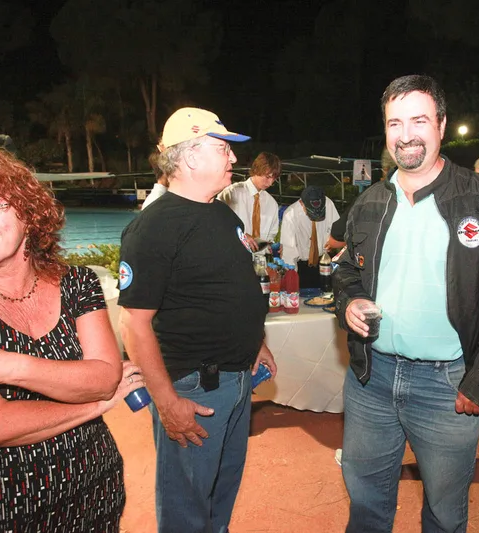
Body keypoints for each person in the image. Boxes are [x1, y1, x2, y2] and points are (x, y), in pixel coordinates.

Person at [333, 74, 479, 533]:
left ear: (441, 124)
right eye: (395, 123)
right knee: (365, 505)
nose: (406, 135)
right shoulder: (370, 202)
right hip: (371, 380)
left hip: (448, 386)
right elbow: (345, 271)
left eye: (419, 120)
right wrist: (350, 301)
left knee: (444, 513)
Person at [0, 147, 138, 532]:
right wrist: (94, 405)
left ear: (27, 212)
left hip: (92, 490)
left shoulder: (78, 283)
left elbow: (103, 377)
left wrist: (5, 365)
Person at [117, 107, 276, 533]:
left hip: (237, 379)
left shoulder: (222, 214)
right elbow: (134, 324)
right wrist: (167, 402)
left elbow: (233, 287)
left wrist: (256, 342)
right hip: (194, 388)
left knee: (222, 492)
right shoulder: (153, 228)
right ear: (189, 157)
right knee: (187, 505)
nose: (233, 158)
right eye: (223, 149)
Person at [280, 185, 339, 288]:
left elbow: (337, 231)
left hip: (326, 261)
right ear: (301, 203)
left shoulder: (329, 204)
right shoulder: (290, 215)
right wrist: (292, 279)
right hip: (303, 266)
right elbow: (289, 251)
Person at [218, 151, 281, 243]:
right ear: (257, 170)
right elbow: (217, 222)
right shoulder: (232, 193)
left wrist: (271, 245)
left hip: (261, 252)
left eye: (274, 179)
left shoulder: (272, 203)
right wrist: (240, 235)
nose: (270, 183)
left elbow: (271, 234)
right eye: (267, 177)